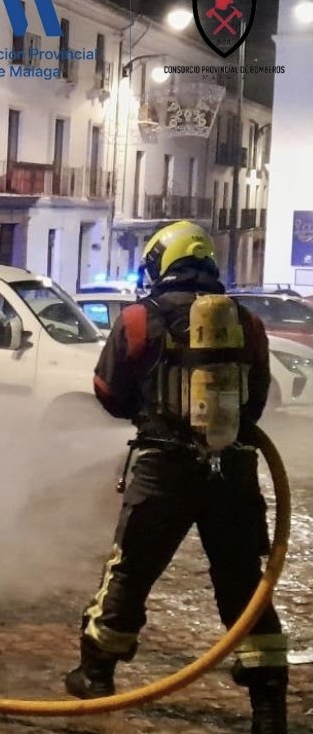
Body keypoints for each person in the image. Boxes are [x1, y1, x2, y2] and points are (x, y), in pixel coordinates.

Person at [65, 221, 288, 733]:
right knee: (243, 584)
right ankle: (269, 706)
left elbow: (108, 393)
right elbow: (253, 403)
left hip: (163, 470)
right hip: (232, 470)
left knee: (130, 572)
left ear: (159, 263)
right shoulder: (247, 322)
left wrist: (154, 406)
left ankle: (95, 676)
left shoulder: (138, 320)